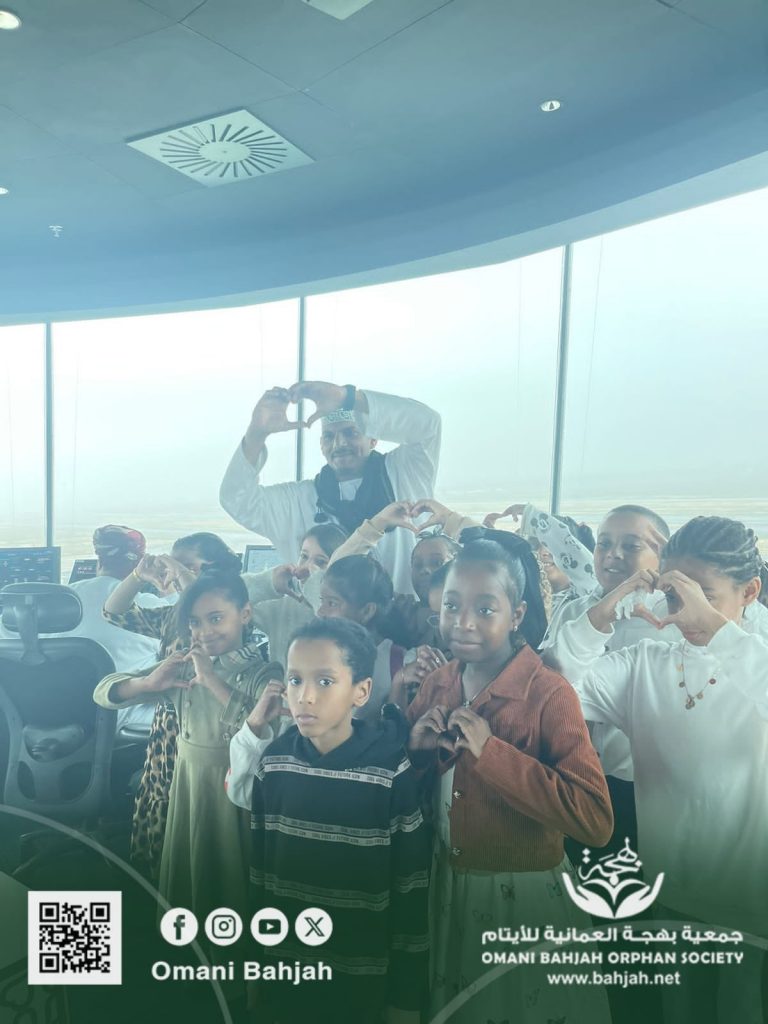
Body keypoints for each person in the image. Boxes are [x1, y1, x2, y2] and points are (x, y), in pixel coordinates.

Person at [565, 516, 768, 1024]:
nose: (687, 611)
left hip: (751, 898)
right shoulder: (645, 664)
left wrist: (716, 630)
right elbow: (559, 686)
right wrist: (606, 608)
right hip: (671, 889)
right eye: (677, 594)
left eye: (705, 596)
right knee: (678, 1012)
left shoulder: (755, 659)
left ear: (750, 592)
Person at [407, 527, 613, 1024]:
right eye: (451, 605)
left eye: (485, 608)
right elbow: (412, 792)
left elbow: (595, 820)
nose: (463, 622)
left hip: (522, 901)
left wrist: (492, 753)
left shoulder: (548, 693)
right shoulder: (438, 683)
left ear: (516, 614)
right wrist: (416, 752)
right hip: (446, 890)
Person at [227, 617, 429, 1024]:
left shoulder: (388, 772)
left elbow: (411, 889)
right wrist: (255, 966)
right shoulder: (275, 763)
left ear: (361, 691)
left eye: (324, 681)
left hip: (361, 977)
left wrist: (405, 998)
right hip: (285, 971)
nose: (304, 696)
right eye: (295, 680)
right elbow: (260, 874)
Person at [94, 571, 283, 919]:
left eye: (216, 618)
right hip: (187, 785)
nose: (204, 631)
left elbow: (263, 727)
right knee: (188, 867)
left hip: (236, 788)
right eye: (195, 622)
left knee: (232, 870)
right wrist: (147, 684)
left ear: (244, 614)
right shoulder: (183, 667)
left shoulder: (265, 672)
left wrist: (209, 678)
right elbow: (104, 693)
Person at [102, 531, 256, 879]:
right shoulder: (175, 616)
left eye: (187, 565)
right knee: (162, 804)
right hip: (169, 729)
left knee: (206, 820)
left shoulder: (230, 616)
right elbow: (114, 612)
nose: (173, 572)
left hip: (213, 731)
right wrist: (138, 575)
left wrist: (182, 574)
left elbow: (204, 601)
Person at [219, 380, 441, 594]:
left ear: (373, 439)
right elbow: (237, 499)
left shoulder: (406, 472)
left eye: (350, 433)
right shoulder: (298, 501)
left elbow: (428, 424)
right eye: (329, 436)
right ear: (321, 445)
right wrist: (257, 433)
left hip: (408, 616)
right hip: (326, 619)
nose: (339, 443)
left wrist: (348, 397)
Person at [540, 504, 672, 856]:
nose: (613, 554)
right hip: (572, 773)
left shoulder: (672, 619)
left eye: (631, 545)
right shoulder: (574, 610)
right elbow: (548, 681)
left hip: (642, 784)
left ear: (662, 557)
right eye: (604, 543)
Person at [59, 525, 164, 731]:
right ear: (138, 564)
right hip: (123, 715)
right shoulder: (147, 606)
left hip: (54, 716)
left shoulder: (55, 602)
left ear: (99, 559)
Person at [316, 555, 405, 721]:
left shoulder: (398, 662)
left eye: (332, 603)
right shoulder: (315, 653)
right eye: (322, 601)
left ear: (367, 611)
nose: (320, 612)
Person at [484, 502, 596, 613]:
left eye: (553, 546)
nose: (542, 552)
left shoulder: (587, 595)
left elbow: (588, 567)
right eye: (535, 544)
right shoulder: (523, 600)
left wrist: (531, 514)